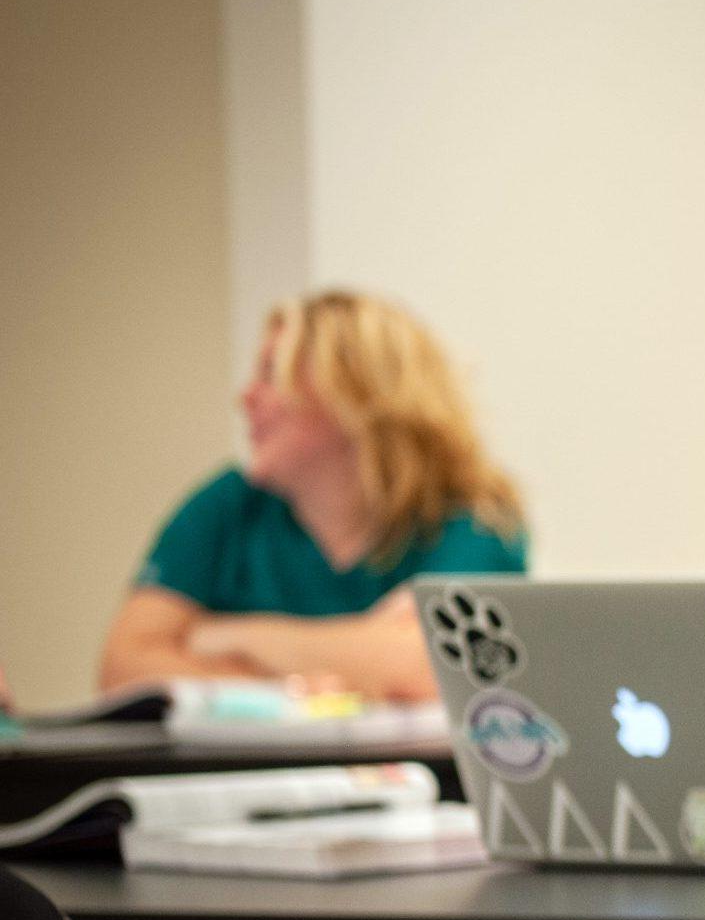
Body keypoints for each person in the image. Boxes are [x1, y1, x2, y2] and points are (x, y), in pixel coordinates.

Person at [99, 291, 527, 700]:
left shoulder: (471, 519)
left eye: (271, 373)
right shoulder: (228, 507)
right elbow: (124, 667)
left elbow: (426, 670)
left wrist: (219, 635)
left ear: (354, 394)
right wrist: (294, 689)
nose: (246, 398)